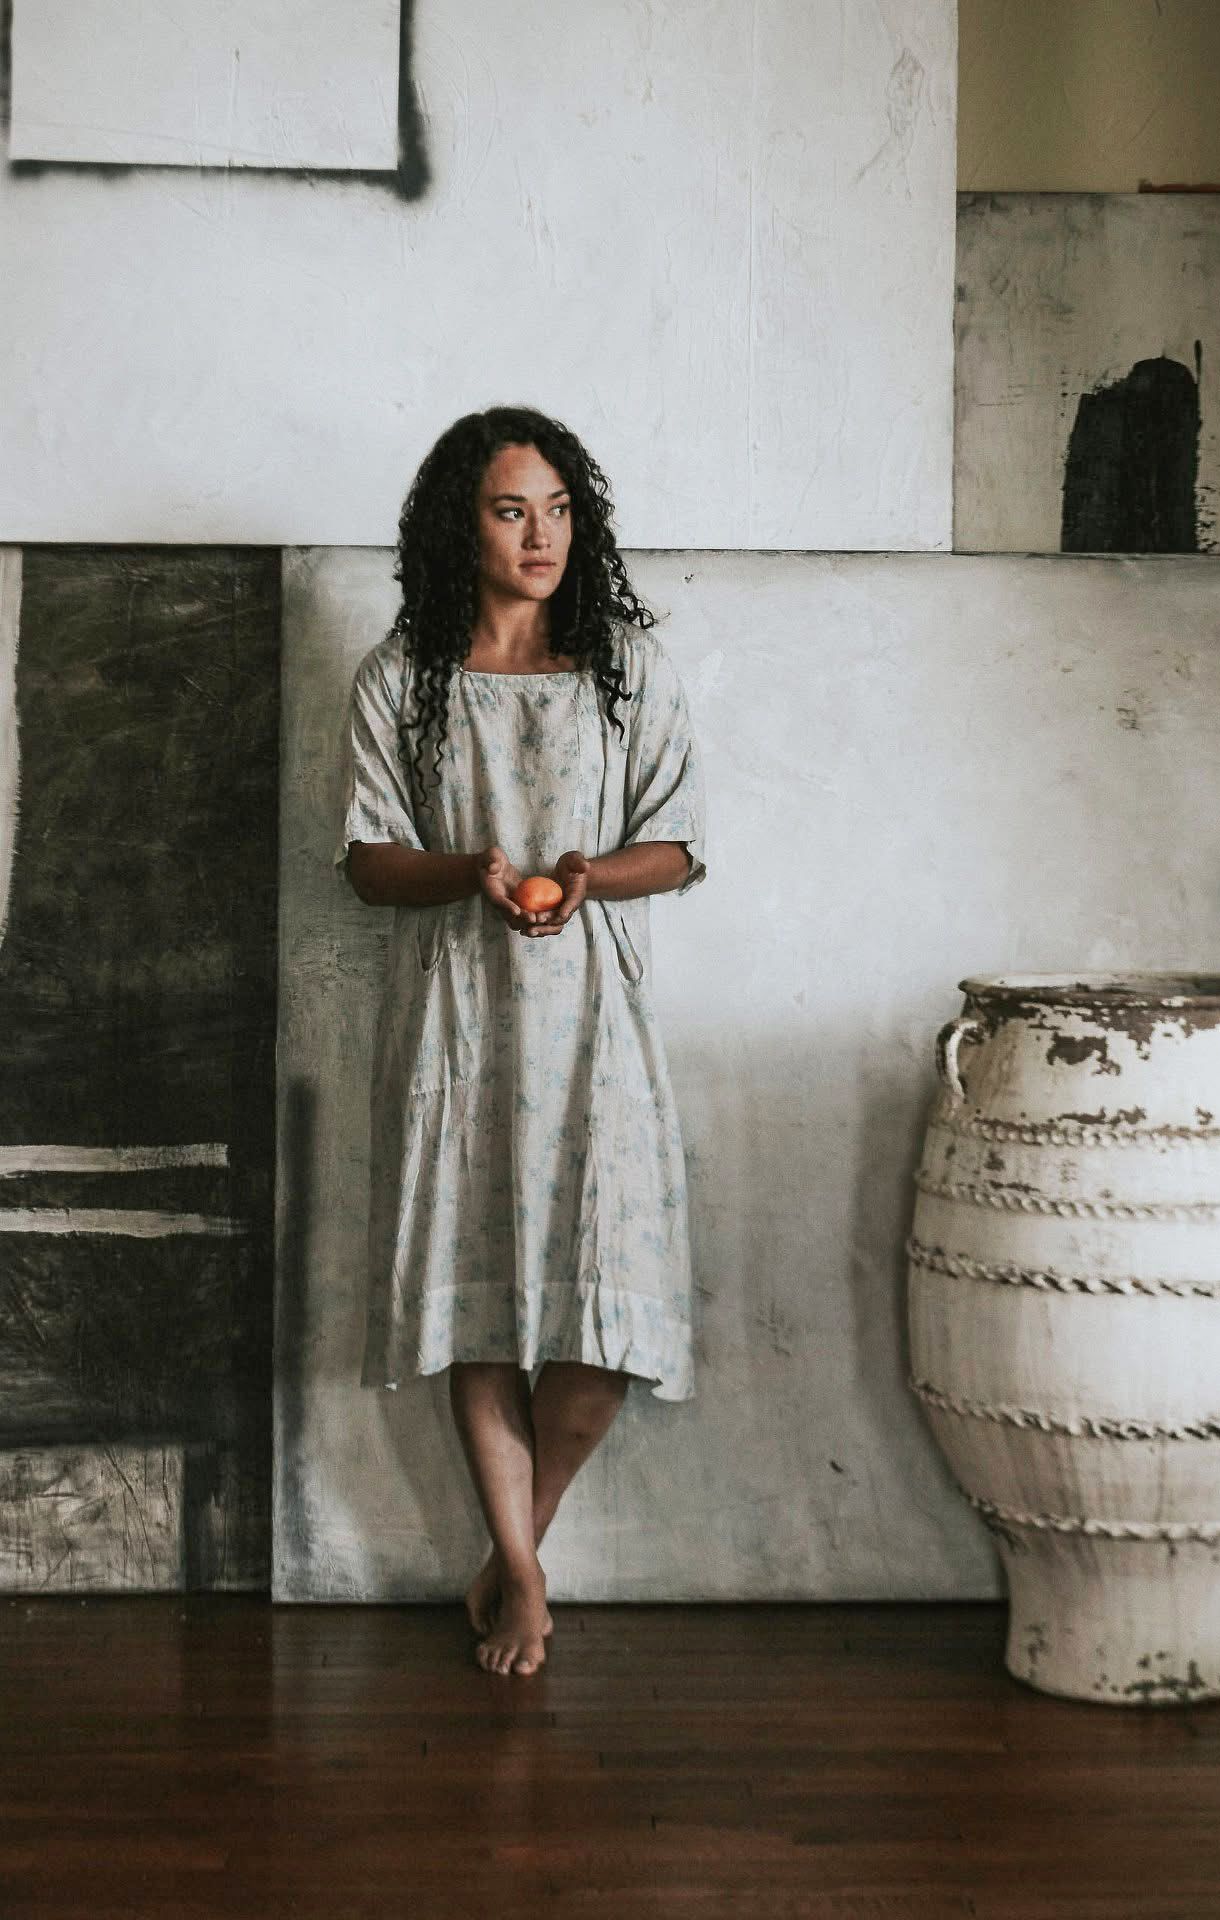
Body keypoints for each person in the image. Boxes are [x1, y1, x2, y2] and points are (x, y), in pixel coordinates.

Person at [333, 405, 708, 1677]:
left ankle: (509, 1557)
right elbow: (369, 862)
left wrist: (589, 876)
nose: (540, 533)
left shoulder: (625, 670)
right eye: (510, 509)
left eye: (556, 508)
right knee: (482, 1309)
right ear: (463, 525)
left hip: (598, 1021)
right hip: (459, 1019)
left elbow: (685, 839)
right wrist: (468, 871)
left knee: (606, 1331)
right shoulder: (403, 680)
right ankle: (533, 1587)